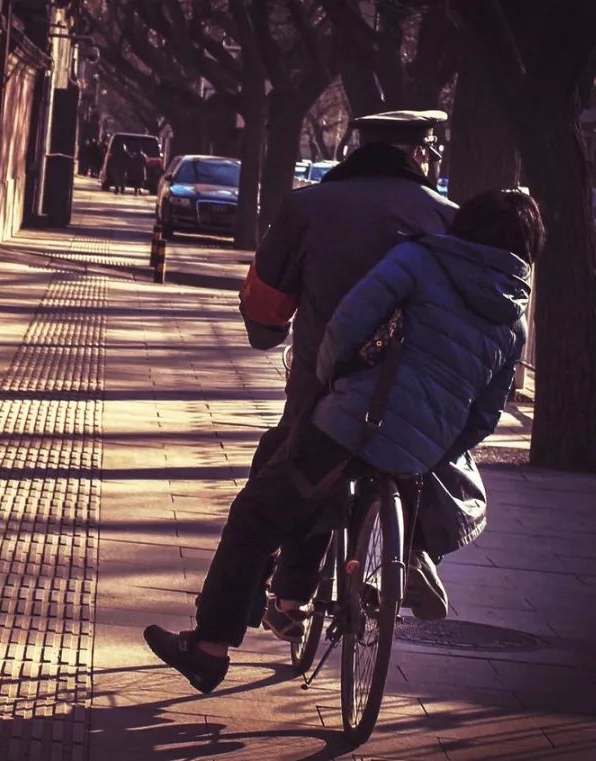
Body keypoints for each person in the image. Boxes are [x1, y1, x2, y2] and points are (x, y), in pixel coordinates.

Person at [144, 189, 546, 695]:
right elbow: (487, 413)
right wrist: (437, 446)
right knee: (329, 484)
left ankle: (209, 649)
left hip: (355, 421)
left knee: (260, 512)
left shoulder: (420, 258)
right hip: (419, 454)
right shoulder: (515, 315)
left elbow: (349, 324)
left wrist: (331, 381)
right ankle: (393, 563)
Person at [231, 111, 463, 636]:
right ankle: (411, 551)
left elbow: (266, 306)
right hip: (411, 395)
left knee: (295, 468)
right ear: (418, 154)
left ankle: (286, 598)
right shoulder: (447, 219)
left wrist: (269, 332)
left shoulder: (308, 206)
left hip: (322, 383)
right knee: (407, 459)